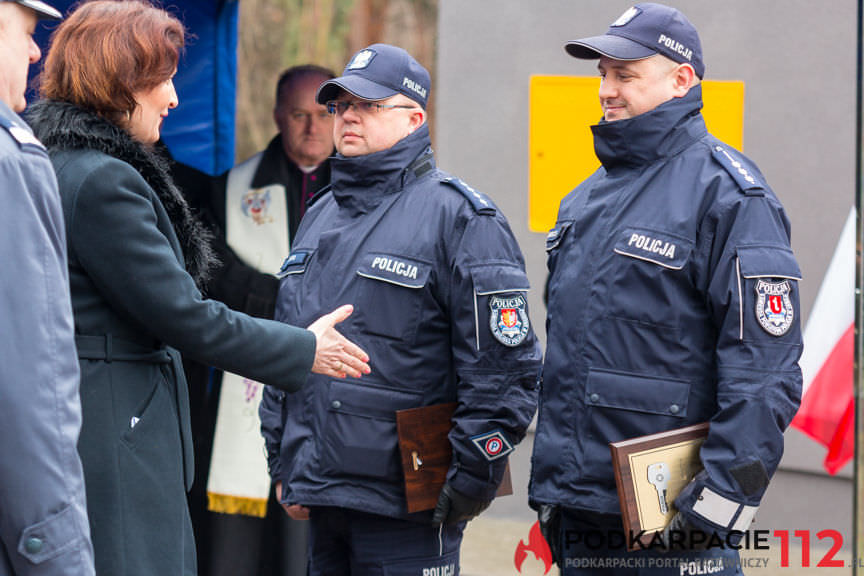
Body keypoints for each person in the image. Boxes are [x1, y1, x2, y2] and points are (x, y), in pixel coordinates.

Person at [25, 2, 369, 575]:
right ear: (121, 81)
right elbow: (184, 315)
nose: (174, 98)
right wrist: (304, 348)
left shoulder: (53, 163)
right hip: (117, 435)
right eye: (162, 80)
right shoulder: (105, 180)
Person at [529, 4, 803, 574]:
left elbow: (766, 371)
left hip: (676, 525)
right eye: (602, 75)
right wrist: (553, 501)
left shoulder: (730, 197)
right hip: (581, 514)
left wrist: (719, 504)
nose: (606, 90)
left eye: (625, 74)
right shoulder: (582, 200)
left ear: (683, 79)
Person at [260, 43, 542, 575]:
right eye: (340, 106)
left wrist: (469, 480)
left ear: (414, 117)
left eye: (367, 106)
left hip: (410, 509)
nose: (347, 117)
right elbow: (289, 341)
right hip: (322, 498)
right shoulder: (319, 214)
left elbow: (506, 368)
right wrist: (284, 462)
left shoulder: (460, 217)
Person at [188, 64, 336, 576]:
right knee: (238, 550)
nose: (312, 126)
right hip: (245, 380)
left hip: (335, 383)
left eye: (324, 112)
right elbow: (212, 279)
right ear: (278, 115)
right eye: (299, 114)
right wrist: (289, 307)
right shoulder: (229, 190)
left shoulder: (369, 191)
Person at [0, 1, 96, 574]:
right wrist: (56, 553)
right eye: (28, 32)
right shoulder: (13, 160)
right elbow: (31, 381)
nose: (37, 52)